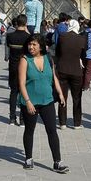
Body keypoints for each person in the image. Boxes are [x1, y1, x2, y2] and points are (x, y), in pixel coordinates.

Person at [18, 34, 68, 173]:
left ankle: (57, 162)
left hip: (47, 100)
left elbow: (54, 77)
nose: (31, 47)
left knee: (52, 130)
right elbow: (21, 83)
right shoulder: (24, 59)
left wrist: (60, 93)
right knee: (29, 130)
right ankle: (28, 158)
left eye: (34, 44)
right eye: (29, 44)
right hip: (30, 101)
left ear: (41, 46)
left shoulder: (48, 58)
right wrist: (27, 102)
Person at [54, 19, 86, 129]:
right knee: (77, 97)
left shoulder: (62, 37)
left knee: (62, 96)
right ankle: (77, 123)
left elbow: (57, 53)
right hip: (76, 71)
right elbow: (83, 55)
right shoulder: (81, 39)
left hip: (63, 69)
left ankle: (62, 122)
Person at [5, 14, 31, 126]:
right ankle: (22, 119)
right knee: (24, 92)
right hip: (24, 66)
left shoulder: (9, 36)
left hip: (13, 66)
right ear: (25, 23)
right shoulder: (28, 37)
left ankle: (11, 118)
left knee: (14, 92)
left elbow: (8, 50)